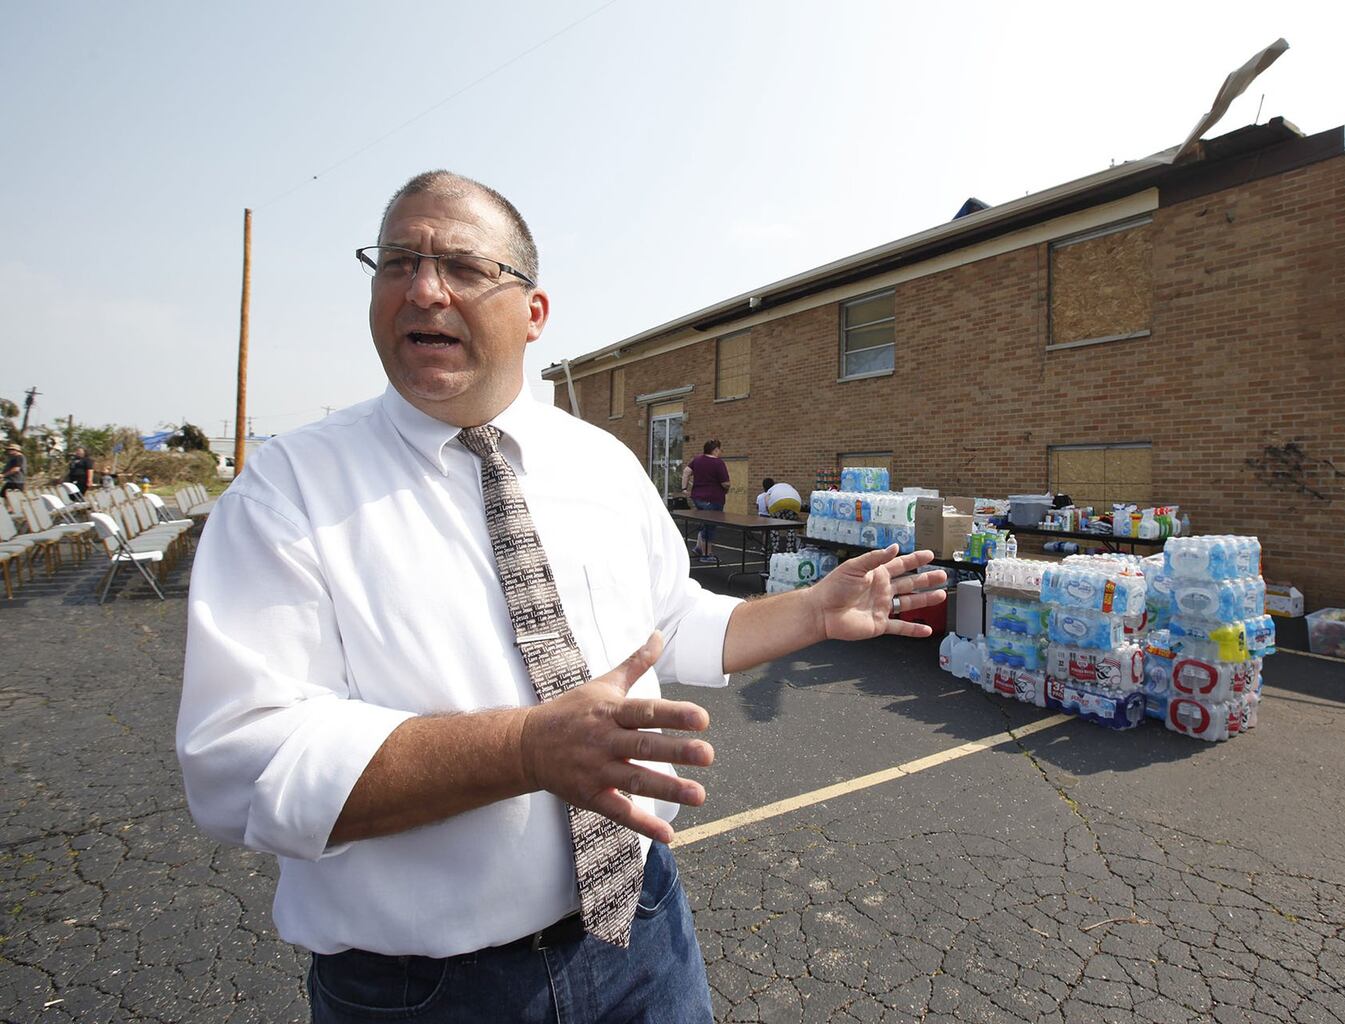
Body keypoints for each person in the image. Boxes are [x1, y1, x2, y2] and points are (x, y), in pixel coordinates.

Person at [176, 170, 945, 1024]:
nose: (423, 288)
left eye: (463, 266)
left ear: (533, 312)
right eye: (397, 262)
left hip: (643, 935)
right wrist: (525, 750)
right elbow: (240, 763)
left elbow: (668, 621)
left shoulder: (601, 464)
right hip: (422, 992)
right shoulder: (288, 490)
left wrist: (812, 612)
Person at [681, 439, 728, 562]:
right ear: (715, 450)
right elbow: (725, 483)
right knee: (710, 526)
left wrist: (684, 488)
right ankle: (707, 555)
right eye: (719, 450)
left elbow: (686, 472)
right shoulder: (718, 463)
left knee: (704, 522)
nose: (720, 452)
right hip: (713, 498)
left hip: (698, 497)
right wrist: (726, 487)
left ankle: (698, 548)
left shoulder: (697, 460)